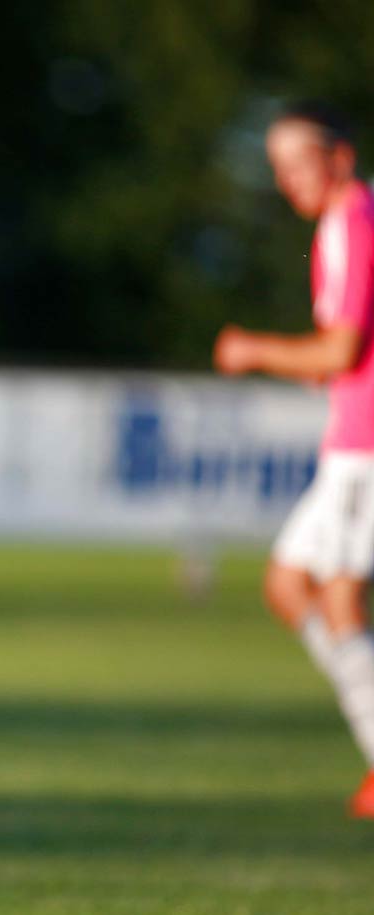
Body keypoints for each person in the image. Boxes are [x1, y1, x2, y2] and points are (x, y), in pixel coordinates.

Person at [214, 101, 374, 819]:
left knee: (338, 599)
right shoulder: (338, 227)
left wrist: (252, 350)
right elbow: (333, 360)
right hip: (349, 439)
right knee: (289, 586)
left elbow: (338, 352)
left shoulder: (354, 221)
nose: (286, 182)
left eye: (298, 164)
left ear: (339, 158)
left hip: (367, 444)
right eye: (277, 168)